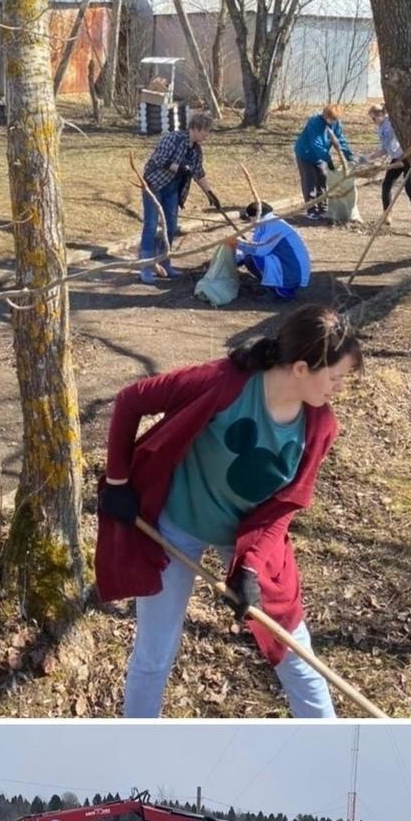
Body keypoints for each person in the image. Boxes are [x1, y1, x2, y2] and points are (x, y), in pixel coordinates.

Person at [94, 304, 362, 718]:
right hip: (173, 527)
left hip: (246, 540)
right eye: (336, 376)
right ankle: (138, 744)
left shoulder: (320, 426)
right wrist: (118, 481)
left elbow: (284, 506)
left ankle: (329, 751)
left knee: (296, 653)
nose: (340, 388)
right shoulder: (224, 384)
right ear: (302, 368)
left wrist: (251, 567)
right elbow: (132, 400)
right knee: (154, 654)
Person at [138, 111, 222, 286]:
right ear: (196, 128)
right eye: (205, 131)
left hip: (172, 189)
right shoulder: (173, 138)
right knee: (151, 225)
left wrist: (210, 194)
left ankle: (164, 263)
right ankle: (145, 267)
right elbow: (158, 159)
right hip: (154, 185)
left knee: (171, 225)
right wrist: (180, 167)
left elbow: (198, 172)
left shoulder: (196, 150)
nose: (207, 135)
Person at [368, 103, 411, 237]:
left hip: (409, 157)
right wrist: (368, 158)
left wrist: (403, 157)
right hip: (396, 158)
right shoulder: (380, 128)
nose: (373, 121)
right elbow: (384, 149)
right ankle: (387, 215)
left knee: (410, 189)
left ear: (381, 115)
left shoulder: (393, 123)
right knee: (386, 185)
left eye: (373, 118)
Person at [293, 104, 354, 221]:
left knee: (323, 179)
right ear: (325, 115)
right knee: (309, 181)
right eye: (331, 118)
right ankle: (311, 210)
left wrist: (349, 156)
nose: (333, 121)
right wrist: (328, 159)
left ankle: (323, 207)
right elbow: (316, 144)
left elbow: (340, 140)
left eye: (335, 119)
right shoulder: (314, 122)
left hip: (320, 156)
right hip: (305, 154)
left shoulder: (335, 123)